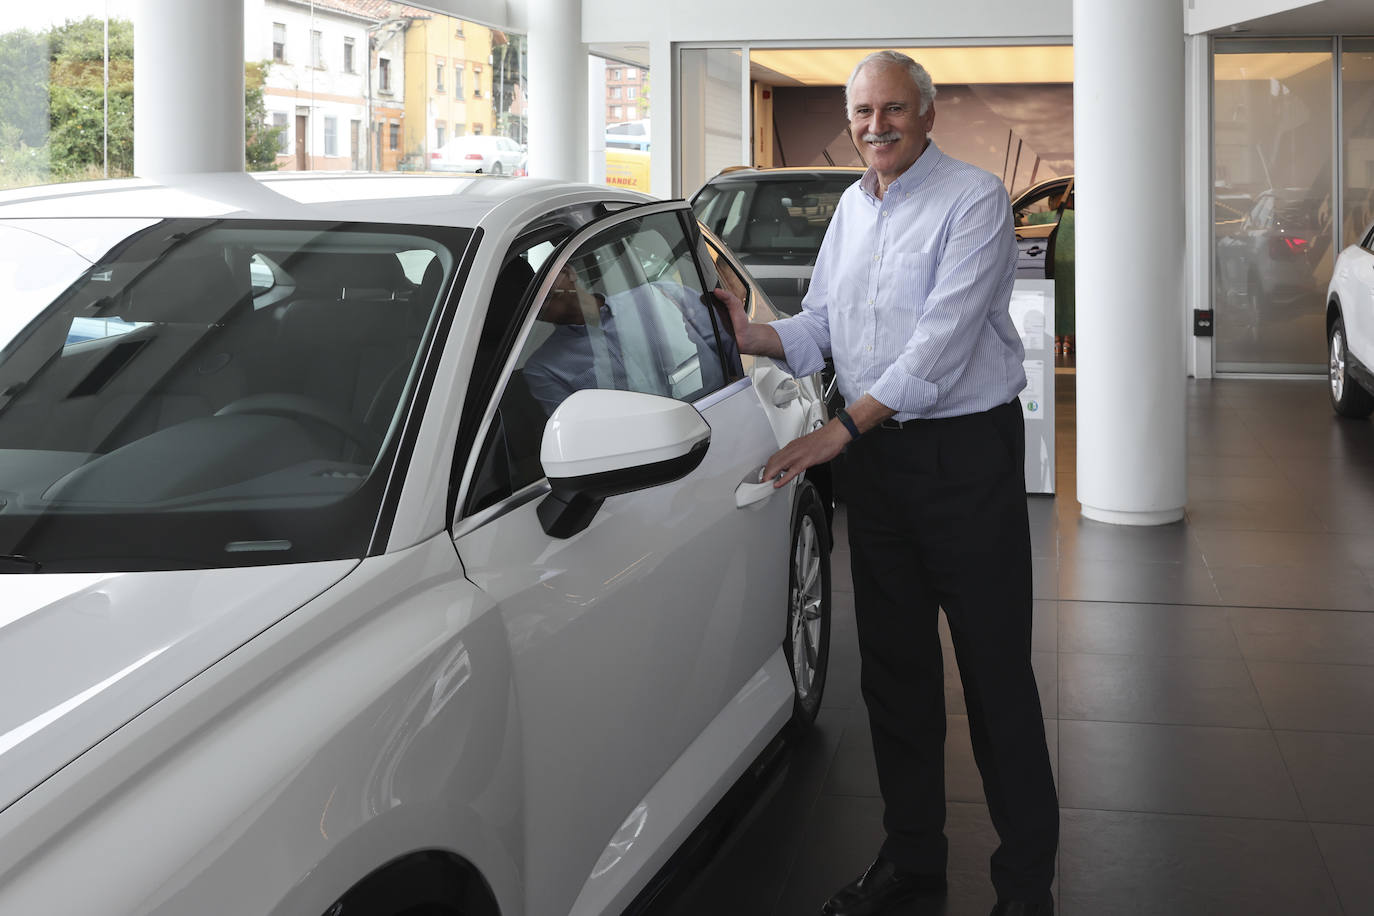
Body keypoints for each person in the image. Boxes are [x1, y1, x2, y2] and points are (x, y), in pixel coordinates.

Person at [714, 51, 1058, 916]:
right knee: (894, 675)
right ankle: (912, 859)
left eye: (894, 109)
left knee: (995, 678)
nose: (877, 126)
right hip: (879, 467)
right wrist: (752, 336)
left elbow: (938, 348)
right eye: (863, 112)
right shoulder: (850, 208)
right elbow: (825, 325)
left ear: (927, 114)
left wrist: (839, 430)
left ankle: (1026, 889)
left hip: (963, 461)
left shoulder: (974, 200)